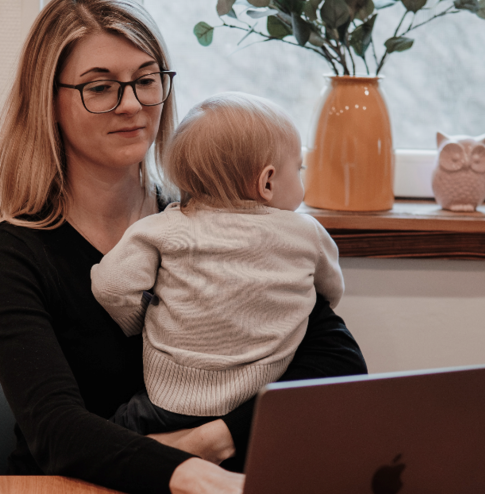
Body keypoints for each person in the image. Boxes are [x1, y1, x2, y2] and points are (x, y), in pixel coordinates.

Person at [0, 0, 367, 494]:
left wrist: (211, 440)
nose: (132, 104)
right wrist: (183, 466)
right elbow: (57, 432)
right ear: (48, 101)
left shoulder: (223, 216)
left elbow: (338, 366)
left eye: (146, 79)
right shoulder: (8, 256)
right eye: (99, 87)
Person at [92, 92, 344, 434]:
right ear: (267, 182)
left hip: (168, 400)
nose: (301, 178)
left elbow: (110, 286)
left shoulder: (163, 228)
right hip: (258, 401)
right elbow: (330, 291)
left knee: (112, 439)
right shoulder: (305, 232)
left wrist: (137, 322)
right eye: (298, 169)